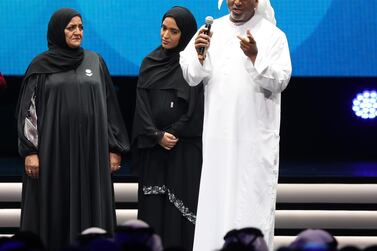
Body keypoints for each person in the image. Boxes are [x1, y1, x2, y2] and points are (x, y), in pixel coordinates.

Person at [179, 0, 292, 250]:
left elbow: (280, 80)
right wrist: (200, 57)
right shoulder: (210, 31)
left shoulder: (273, 35)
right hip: (218, 136)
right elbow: (191, 74)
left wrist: (255, 56)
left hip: (254, 138)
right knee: (215, 201)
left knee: (250, 202)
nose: (236, 2)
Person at [16, 8, 129, 250]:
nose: (78, 32)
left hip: (91, 154)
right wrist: (30, 151)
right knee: (55, 207)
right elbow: (29, 111)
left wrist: (114, 147)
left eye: (80, 27)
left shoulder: (95, 61)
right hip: (53, 154)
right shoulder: (40, 65)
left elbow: (110, 107)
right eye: (71, 28)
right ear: (58, 31)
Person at [132, 6, 203, 250]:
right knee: (153, 210)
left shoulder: (194, 66)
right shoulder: (149, 62)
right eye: (164, 28)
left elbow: (195, 110)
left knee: (180, 214)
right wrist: (156, 135)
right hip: (154, 149)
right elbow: (141, 107)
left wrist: (172, 132)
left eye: (174, 31)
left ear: (185, 35)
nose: (166, 35)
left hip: (183, 150)